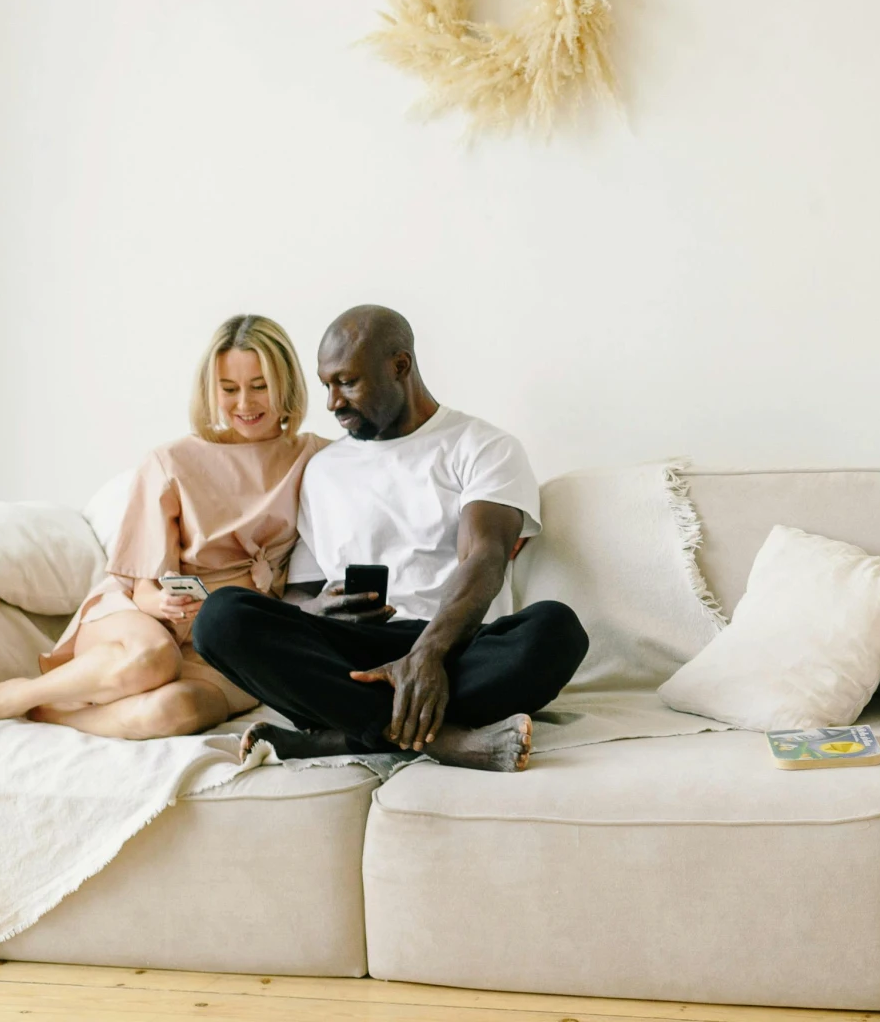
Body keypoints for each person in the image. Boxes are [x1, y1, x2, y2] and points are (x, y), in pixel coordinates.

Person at [193, 305, 587, 772]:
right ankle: (441, 739)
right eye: (327, 385)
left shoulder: (482, 447)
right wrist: (317, 610)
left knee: (555, 630)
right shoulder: (322, 471)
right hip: (354, 655)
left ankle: (343, 736)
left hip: (453, 649)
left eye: (347, 382)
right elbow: (302, 591)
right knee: (220, 618)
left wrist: (426, 657)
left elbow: (485, 556)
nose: (333, 403)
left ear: (400, 366)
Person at [0, 315, 327, 738]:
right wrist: (166, 607)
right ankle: (12, 696)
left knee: (178, 711)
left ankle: (55, 715)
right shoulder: (171, 461)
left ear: (286, 383)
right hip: (144, 619)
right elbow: (144, 588)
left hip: (231, 642)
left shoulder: (315, 457)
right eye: (229, 389)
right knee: (155, 659)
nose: (245, 404)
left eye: (259, 386)